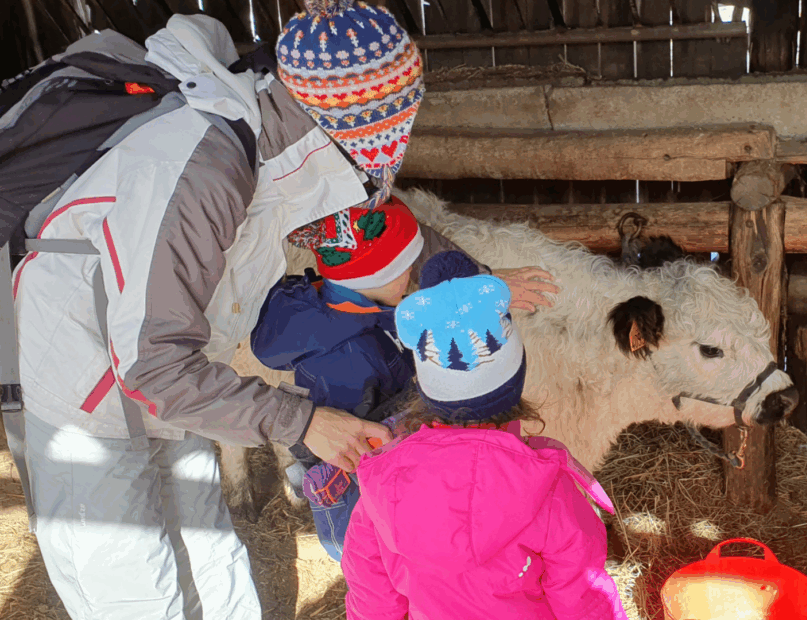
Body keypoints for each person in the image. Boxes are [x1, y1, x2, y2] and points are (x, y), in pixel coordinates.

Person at [9, 3, 558, 618]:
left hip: (188, 373)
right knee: (131, 582)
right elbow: (152, 367)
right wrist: (304, 424)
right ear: (354, 119)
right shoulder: (205, 173)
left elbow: (380, 226)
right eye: (394, 123)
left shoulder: (296, 151)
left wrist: (470, 284)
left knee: (206, 546)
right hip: (92, 384)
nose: (396, 146)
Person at [341, 251, 628, 620]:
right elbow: (585, 602)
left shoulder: (381, 489)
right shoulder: (549, 490)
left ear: (425, 391)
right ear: (516, 383)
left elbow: (372, 602)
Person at [251, 195, 435, 561]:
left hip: (363, 477)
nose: (411, 276)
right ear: (372, 277)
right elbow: (363, 447)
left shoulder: (341, 311)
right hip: (359, 493)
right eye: (403, 268)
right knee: (372, 560)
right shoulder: (349, 357)